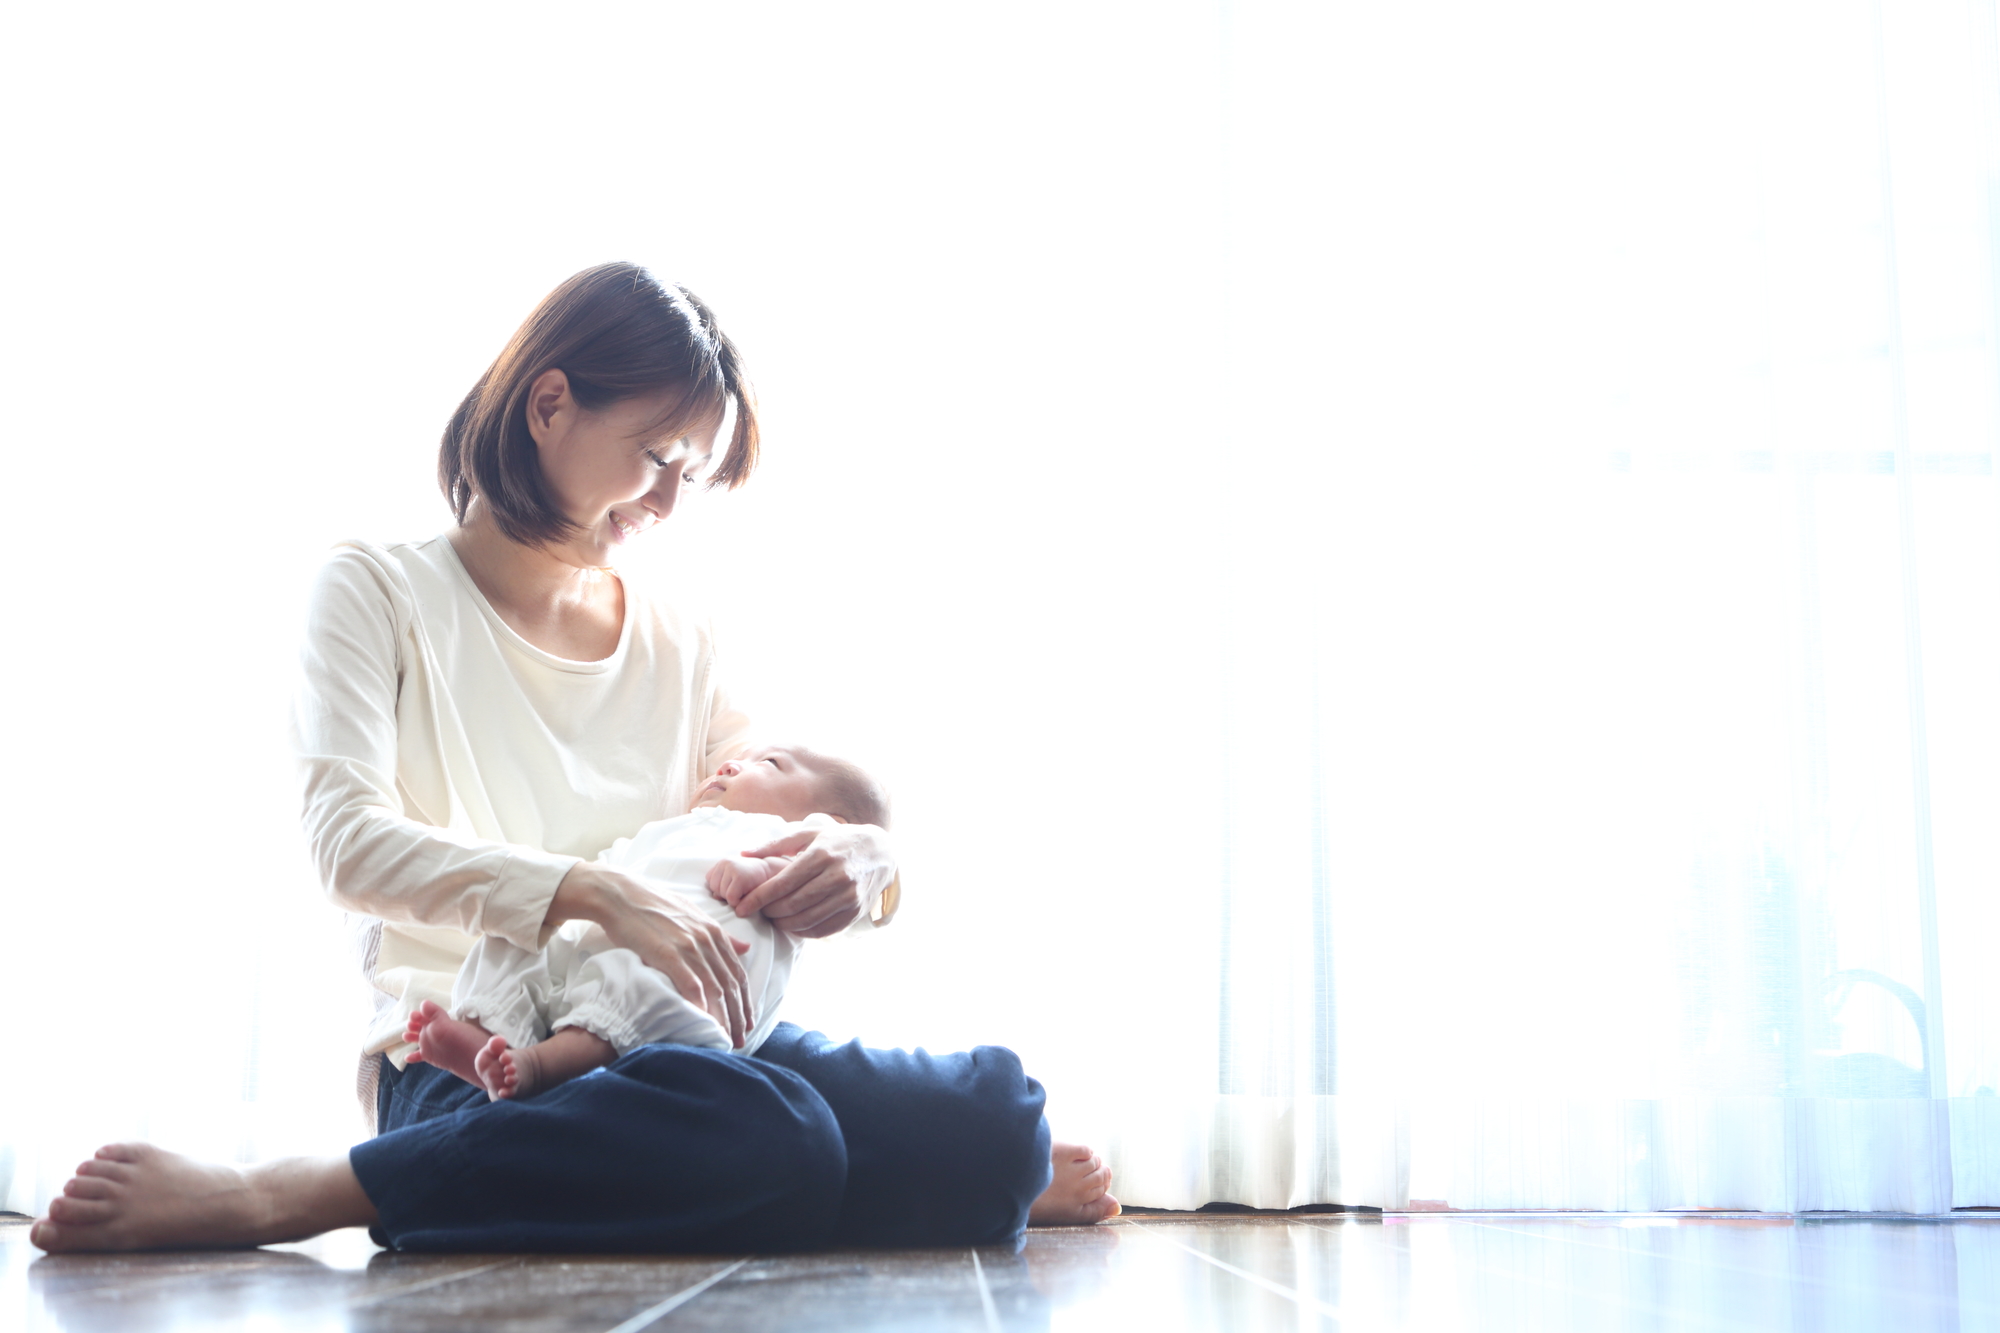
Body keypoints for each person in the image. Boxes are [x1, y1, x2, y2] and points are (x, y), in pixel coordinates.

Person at [31, 263, 1117, 1256]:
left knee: (997, 1124)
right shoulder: (375, 590)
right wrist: (595, 895)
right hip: (476, 1047)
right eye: (655, 458)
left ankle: (896, 1176)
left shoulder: (681, 638)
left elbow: (798, 796)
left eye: (688, 475)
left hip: (676, 1045)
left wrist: (863, 861)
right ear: (549, 404)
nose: (665, 504)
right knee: (771, 1139)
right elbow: (343, 846)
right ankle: (297, 1192)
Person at [406, 743, 890, 1102]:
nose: (729, 763)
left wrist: (761, 869)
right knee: (520, 938)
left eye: (768, 764)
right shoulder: (674, 827)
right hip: (606, 934)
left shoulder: (793, 835)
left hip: (702, 973)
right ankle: (485, 1028)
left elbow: (815, 868)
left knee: (640, 989)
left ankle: (536, 1067)